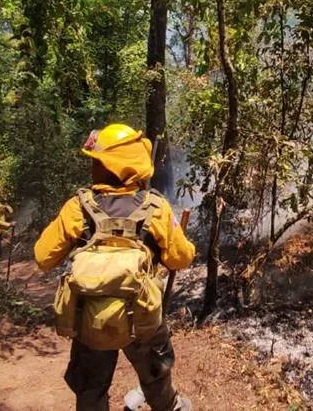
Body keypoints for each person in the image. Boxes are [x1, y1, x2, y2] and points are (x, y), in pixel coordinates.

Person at [34, 123, 195, 411]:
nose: (92, 167)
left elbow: (43, 257)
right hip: (143, 315)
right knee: (157, 379)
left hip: (90, 319)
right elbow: (181, 259)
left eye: (97, 161)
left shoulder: (77, 207)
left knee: (90, 390)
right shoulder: (156, 207)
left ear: (113, 166)